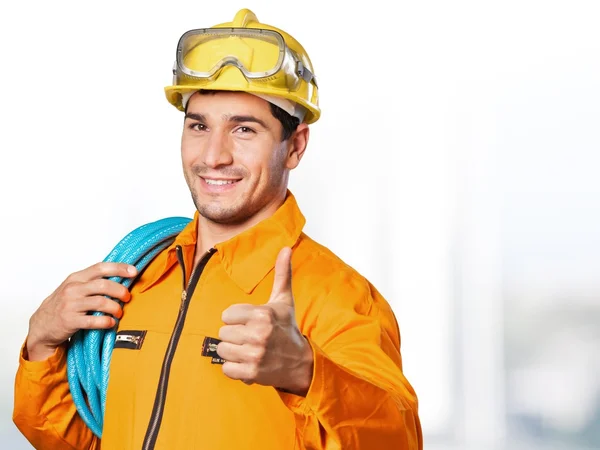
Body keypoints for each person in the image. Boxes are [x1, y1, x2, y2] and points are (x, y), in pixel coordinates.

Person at [13, 8, 423, 450]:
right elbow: (90, 440)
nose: (213, 155)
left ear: (295, 146)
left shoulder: (337, 296)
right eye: (198, 125)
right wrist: (42, 340)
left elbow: (397, 439)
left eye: (244, 129)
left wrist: (307, 373)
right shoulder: (139, 276)